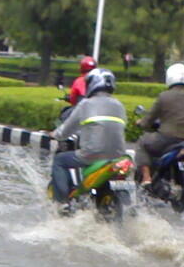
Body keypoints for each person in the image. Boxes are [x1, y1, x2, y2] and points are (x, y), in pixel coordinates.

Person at [50, 68, 127, 207]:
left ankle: (62, 203)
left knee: (59, 161)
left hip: (92, 155)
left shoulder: (86, 104)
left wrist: (54, 135)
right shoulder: (120, 105)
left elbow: (66, 130)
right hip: (118, 155)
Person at [134, 63, 184, 189]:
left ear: (169, 78)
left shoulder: (164, 96)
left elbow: (149, 119)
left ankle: (147, 179)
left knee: (142, 142)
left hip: (166, 139)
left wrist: (141, 123)